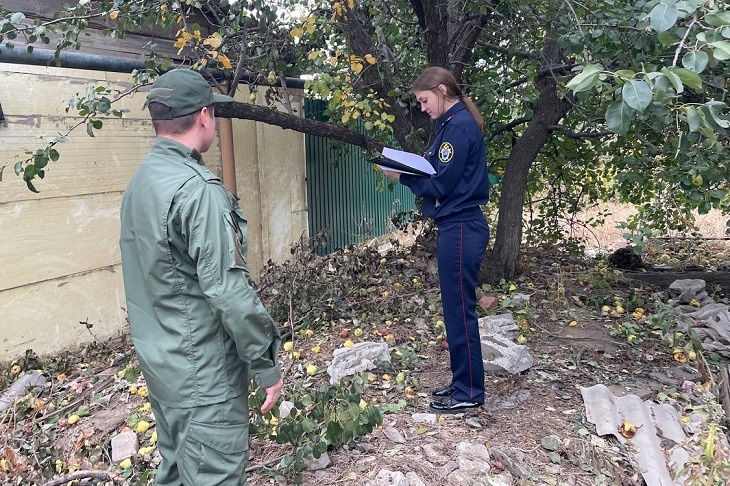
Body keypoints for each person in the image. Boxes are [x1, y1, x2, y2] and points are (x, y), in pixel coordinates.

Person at [119, 69, 283, 485]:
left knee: (177, 470)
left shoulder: (141, 183)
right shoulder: (197, 191)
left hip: (164, 368)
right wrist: (266, 365)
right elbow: (228, 291)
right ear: (205, 116)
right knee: (212, 475)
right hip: (203, 376)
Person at [382, 66, 490, 414]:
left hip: (461, 227)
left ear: (442, 90)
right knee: (455, 310)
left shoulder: (458, 126)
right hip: (457, 226)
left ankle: (470, 392)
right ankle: (462, 384)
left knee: (460, 312)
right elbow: (438, 171)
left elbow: (441, 184)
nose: (423, 107)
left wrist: (402, 176)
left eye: (425, 100)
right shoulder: (449, 124)